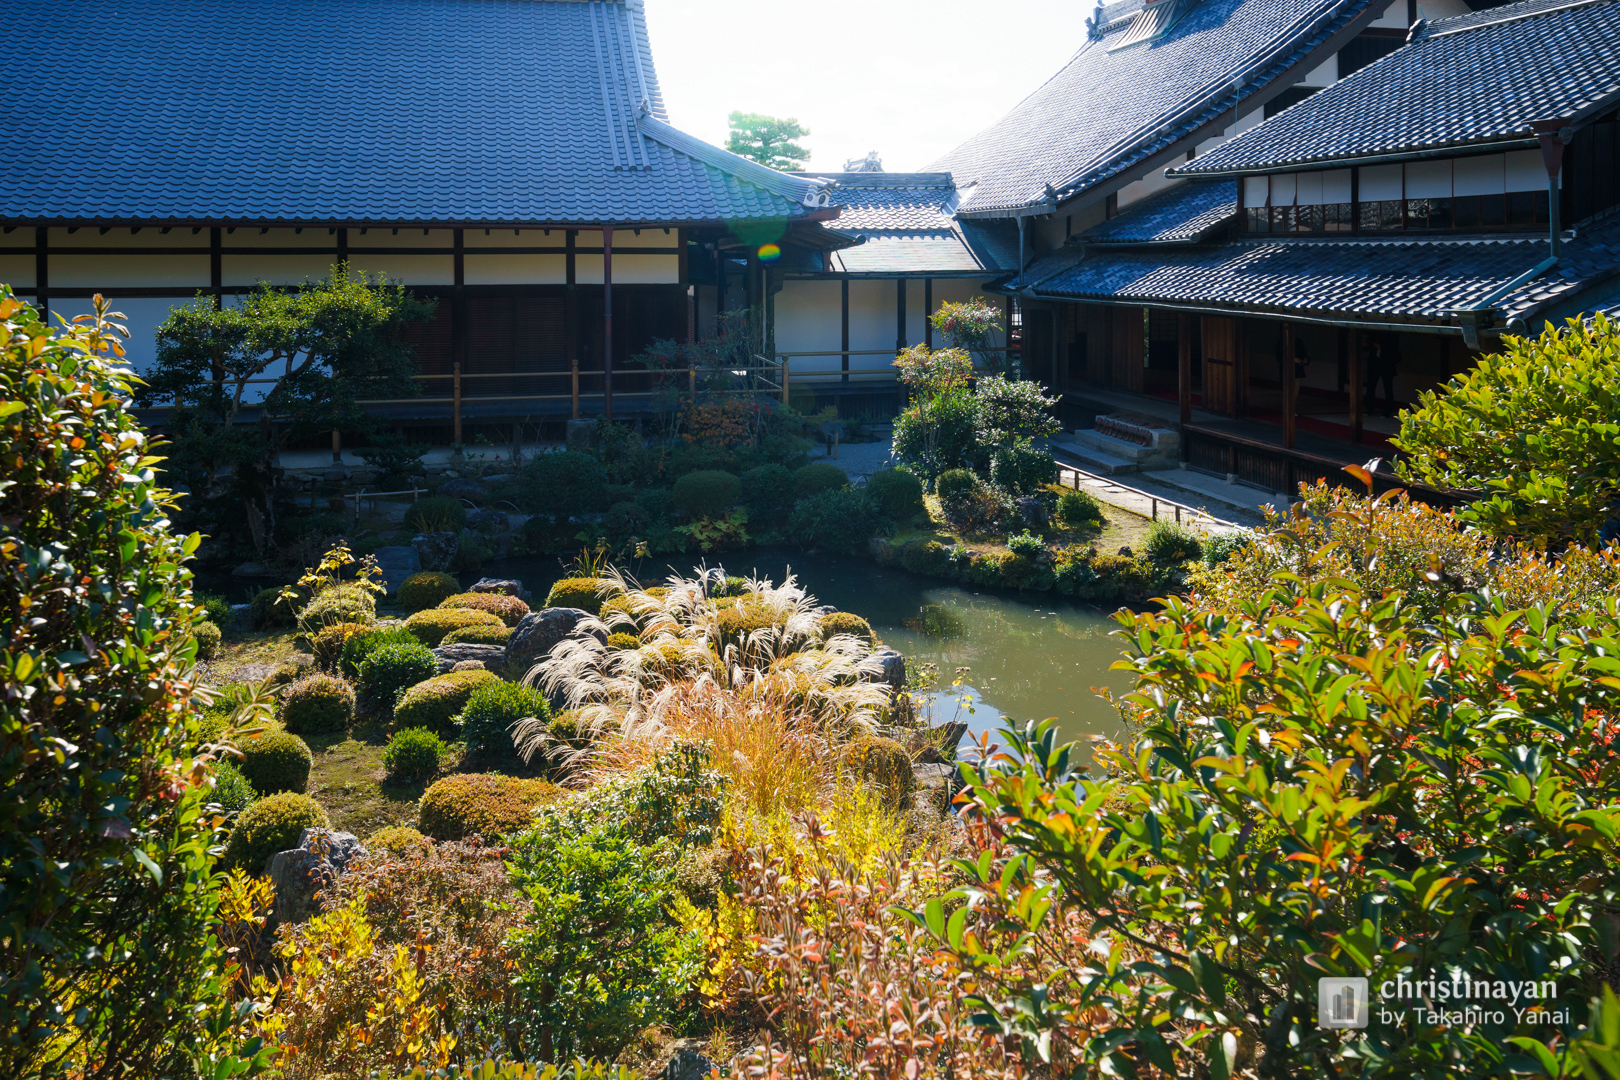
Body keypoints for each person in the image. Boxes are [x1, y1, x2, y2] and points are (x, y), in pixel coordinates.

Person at [1364, 332, 1400, 416]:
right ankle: (1369, 409)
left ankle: (1387, 411)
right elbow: (1365, 347)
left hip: (1387, 364)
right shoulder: (1373, 334)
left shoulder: (1392, 335)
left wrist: (1381, 347)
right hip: (1374, 364)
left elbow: (1394, 350)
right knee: (1370, 387)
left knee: (1388, 388)